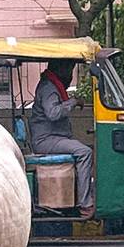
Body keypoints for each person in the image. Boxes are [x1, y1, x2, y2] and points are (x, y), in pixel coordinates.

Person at [28, 58, 94, 210]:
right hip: (46, 140)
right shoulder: (48, 87)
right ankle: (85, 204)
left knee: (89, 149)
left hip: (54, 137)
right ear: (61, 69)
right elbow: (53, 113)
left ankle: (82, 193)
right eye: (69, 70)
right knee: (84, 152)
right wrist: (73, 102)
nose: (70, 76)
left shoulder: (52, 85)